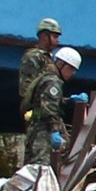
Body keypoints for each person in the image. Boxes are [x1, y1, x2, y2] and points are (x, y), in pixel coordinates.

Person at [18, 18, 68, 162]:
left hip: (48, 114)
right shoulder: (33, 57)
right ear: (44, 36)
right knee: (39, 162)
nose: (57, 41)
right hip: (38, 117)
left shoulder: (48, 59)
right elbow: (28, 91)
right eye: (55, 36)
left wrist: (65, 101)